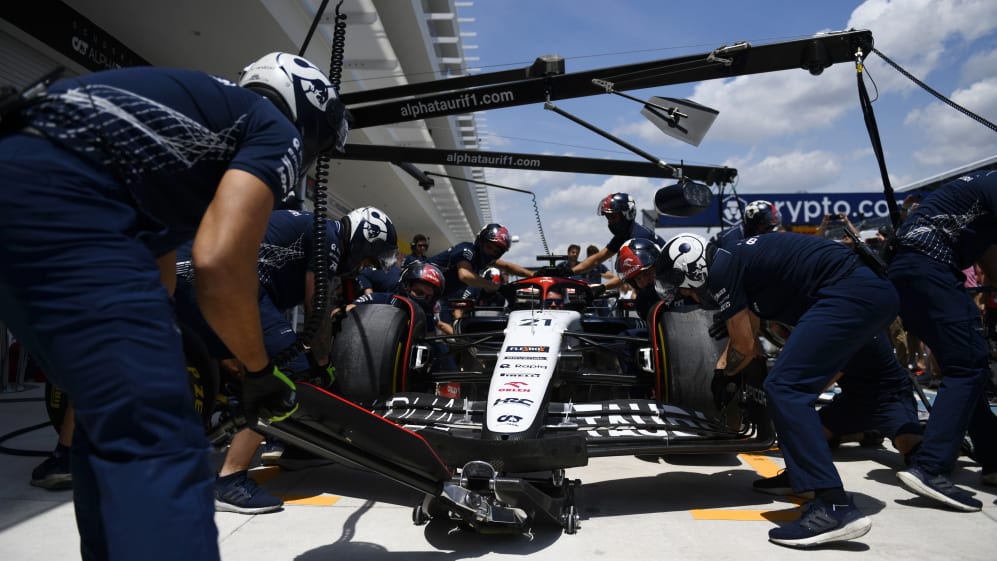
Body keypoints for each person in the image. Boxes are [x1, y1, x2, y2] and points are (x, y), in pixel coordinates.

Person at [0, 52, 347, 560]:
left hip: (22, 191)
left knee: (110, 424)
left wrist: (162, 354)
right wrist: (257, 371)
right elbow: (221, 264)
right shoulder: (273, 126)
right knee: (163, 443)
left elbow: (160, 266)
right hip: (64, 202)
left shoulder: (197, 125)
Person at [657, 232, 899, 547]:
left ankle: (833, 506)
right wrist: (724, 371)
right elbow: (751, 333)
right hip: (861, 292)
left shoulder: (720, 270)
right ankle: (804, 479)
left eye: (685, 290)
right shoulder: (734, 259)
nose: (689, 298)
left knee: (785, 388)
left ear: (692, 270)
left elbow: (744, 344)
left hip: (852, 294)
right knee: (788, 387)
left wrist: (722, 377)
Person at [173, 206, 397, 512]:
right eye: (368, 258)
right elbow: (316, 309)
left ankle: (297, 445)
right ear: (364, 239)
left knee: (257, 368)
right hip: (221, 280)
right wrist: (323, 364)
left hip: (186, 277)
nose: (362, 267)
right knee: (287, 375)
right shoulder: (328, 236)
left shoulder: (309, 226)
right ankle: (230, 480)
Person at [888, 170, 997, 511]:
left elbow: (990, 258)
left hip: (908, 270)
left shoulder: (980, 192)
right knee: (968, 364)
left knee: (965, 367)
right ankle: (930, 467)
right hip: (930, 267)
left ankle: (993, 457)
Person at [428, 223, 533, 326]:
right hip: (417, 285)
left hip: (430, 296)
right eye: (489, 247)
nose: (491, 252)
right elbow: (464, 275)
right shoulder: (467, 250)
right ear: (481, 242)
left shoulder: (482, 260)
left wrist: (533, 275)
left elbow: (507, 267)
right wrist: (495, 286)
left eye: (496, 251)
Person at [571, 193, 664, 290]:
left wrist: (603, 287)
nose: (610, 222)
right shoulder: (623, 235)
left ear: (627, 215)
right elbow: (597, 259)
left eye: (613, 217)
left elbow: (630, 272)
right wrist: (570, 271)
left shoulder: (638, 237)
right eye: (608, 217)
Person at [711, 199, 783, 251]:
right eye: (766, 224)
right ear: (755, 225)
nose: (770, 228)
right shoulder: (729, 240)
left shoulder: (766, 237)